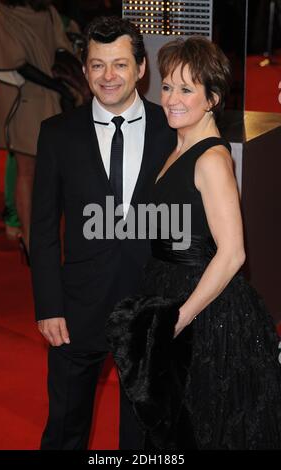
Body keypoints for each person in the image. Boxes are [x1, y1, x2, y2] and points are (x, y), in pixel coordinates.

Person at [106, 36, 281, 450]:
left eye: (186, 89)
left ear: (212, 98)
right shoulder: (176, 146)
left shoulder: (212, 159)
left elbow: (233, 252)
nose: (171, 98)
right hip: (167, 292)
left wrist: (180, 318)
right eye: (167, 86)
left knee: (198, 426)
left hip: (205, 312)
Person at [30, 16, 176, 450]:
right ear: (85, 68)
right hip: (75, 310)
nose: (108, 77)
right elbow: (42, 229)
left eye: (119, 65)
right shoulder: (57, 133)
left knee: (144, 435)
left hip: (149, 306)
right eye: (97, 65)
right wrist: (48, 304)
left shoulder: (171, 129)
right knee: (65, 429)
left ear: (141, 68)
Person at [0, 0, 73, 254]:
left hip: (50, 97)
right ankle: (29, 241)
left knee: (54, 175)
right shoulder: (2, 16)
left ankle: (47, 239)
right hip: (24, 98)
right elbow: (17, 63)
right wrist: (60, 87)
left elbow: (62, 50)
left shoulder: (47, 12)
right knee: (27, 171)